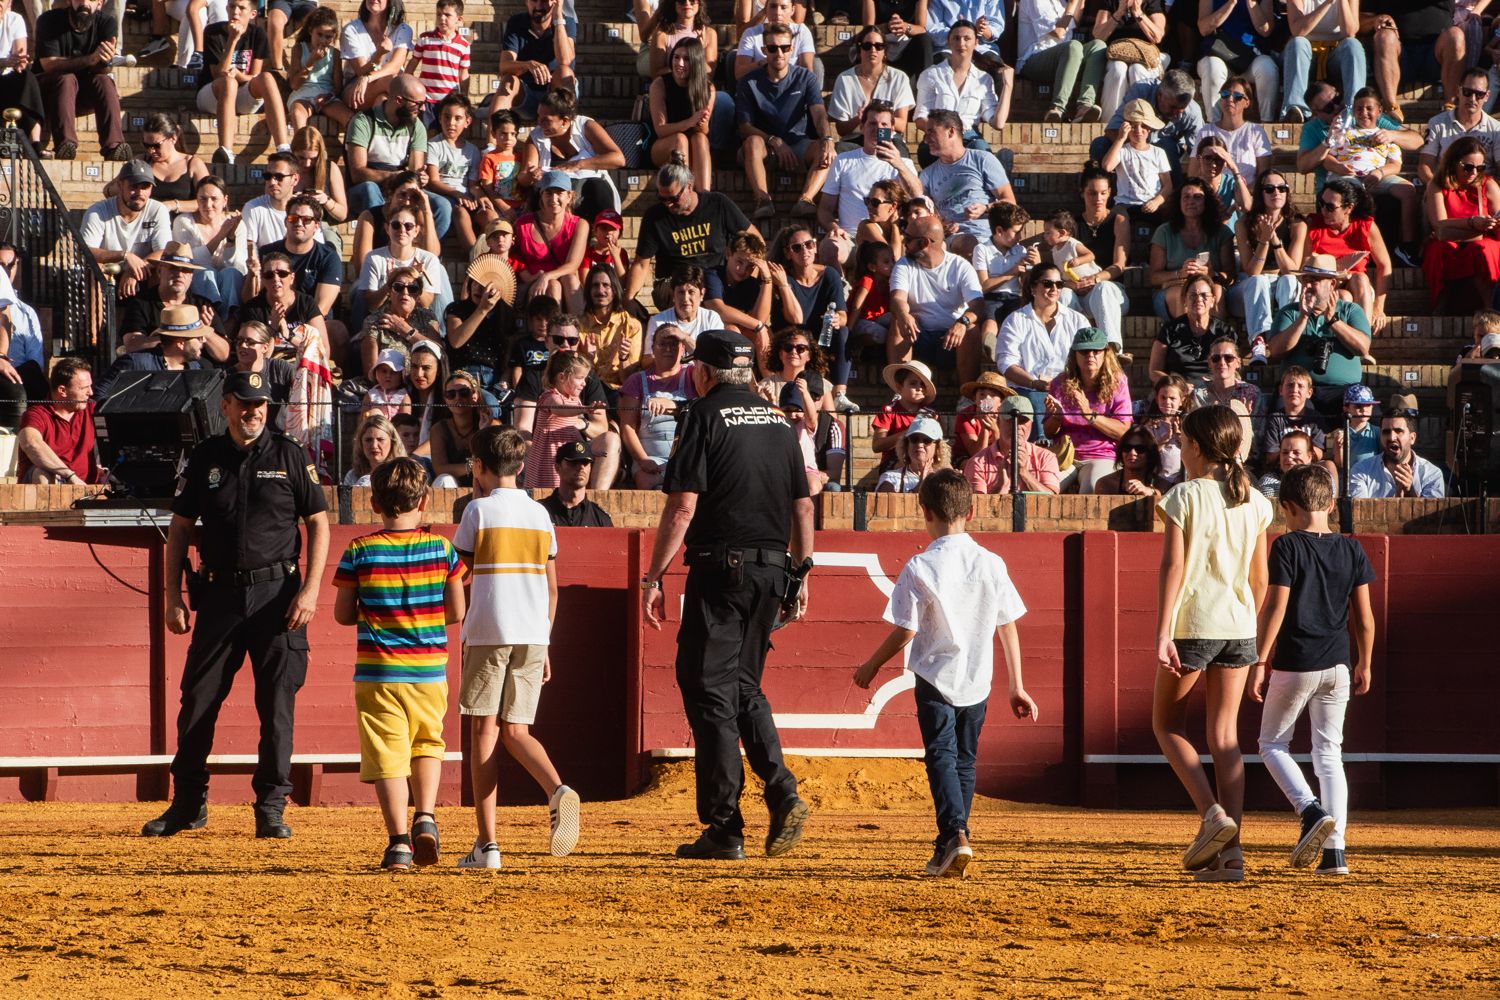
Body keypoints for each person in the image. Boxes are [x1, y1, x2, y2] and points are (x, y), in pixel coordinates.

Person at [641, 329, 813, 861]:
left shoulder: (704, 418)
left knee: (707, 687)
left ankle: (725, 825)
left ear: (706, 372)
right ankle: (780, 789)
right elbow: (803, 509)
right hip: (771, 570)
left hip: (721, 569)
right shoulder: (782, 426)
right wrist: (800, 574)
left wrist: (654, 577)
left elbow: (683, 507)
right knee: (742, 686)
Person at [141, 370, 330, 840]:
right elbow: (180, 529)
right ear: (225, 405)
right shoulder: (206, 457)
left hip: (278, 597)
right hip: (220, 595)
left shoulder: (289, 455)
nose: (253, 412)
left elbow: (319, 523)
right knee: (198, 701)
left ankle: (271, 806)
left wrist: (310, 591)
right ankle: (188, 803)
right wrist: (173, 599)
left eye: (260, 404)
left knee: (277, 706)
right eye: (244, 403)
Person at [852, 469, 1037, 877]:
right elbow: (1007, 625)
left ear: (926, 512)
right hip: (978, 676)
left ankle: (954, 833)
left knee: (941, 755)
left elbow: (906, 630)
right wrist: (1017, 686)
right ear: (970, 513)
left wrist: (870, 666)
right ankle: (952, 839)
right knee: (965, 761)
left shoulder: (920, 565)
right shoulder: (992, 562)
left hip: (936, 676)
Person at [453, 425, 582, 870]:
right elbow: (552, 589)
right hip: (532, 632)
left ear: (480, 467)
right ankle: (557, 789)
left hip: (489, 631)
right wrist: (545, 641)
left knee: (484, 733)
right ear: (523, 467)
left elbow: (462, 573)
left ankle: (487, 846)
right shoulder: (540, 515)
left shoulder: (478, 512)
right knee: (518, 731)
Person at [1153, 404, 1272, 883]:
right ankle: (1233, 856)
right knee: (1226, 738)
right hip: (1239, 627)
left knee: (1166, 725)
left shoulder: (1183, 496)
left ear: (1197, 447)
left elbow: (1173, 569)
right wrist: (1248, 622)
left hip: (1193, 626)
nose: (1180, 449)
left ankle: (1211, 815)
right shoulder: (1257, 501)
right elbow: (1260, 579)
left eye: (1182, 442)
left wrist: (1163, 630)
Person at [332, 456, 466, 870]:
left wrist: (377, 611)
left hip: (378, 672)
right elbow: (456, 611)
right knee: (427, 743)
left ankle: (399, 843)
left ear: (374, 503)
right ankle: (425, 816)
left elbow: (341, 613)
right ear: (424, 502)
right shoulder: (441, 548)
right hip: (428, 669)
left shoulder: (360, 550)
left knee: (387, 755)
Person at [1251, 463, 1375, 878]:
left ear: (1288, 507)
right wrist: (1365, 662)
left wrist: (1258, 659)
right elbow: (1365, 619)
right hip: (1338, 664)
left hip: (1296, 662)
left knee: (1272, 743)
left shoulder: (1287, 547)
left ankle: (1309, 810)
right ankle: (1335, 852)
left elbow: (1276, 607)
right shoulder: (1352, 549)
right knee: (1329, 755)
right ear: (1330, 503)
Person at [735, 22, 835, 221]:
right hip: (763, 147)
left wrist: (827, 139)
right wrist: (774, 140)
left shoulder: (806, 78)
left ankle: (805, 200)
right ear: (764, 51)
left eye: (785, 48)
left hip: (798, 144)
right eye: (772, 48)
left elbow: (819, 113)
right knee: (752, 143)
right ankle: (763, 200)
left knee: (827, 151)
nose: (779, 53)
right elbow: (745, 127)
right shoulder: (749, 81)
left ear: (792, 49)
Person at [625, 159, 757, 304]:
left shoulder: (718, 204)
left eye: (674, 198)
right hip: (673, 283)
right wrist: (628, 300)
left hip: (713, 280)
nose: (668, 204)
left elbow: (756, 239)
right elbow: (641, 264)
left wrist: (751, 278)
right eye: (662, 198)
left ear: (689, 187)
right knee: (691, 292)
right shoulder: (654, 217)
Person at [1268, 254, 1373, 414]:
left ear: (1331, 284)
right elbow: (1275, 351)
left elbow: (1363, 348)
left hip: (1343, 392)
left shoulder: (1350, 310)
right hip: (1298, 391)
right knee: (1280, 410)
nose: (1308, 285)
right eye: (1305, 280)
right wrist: (1303, 317)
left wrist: (1333, 321)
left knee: (1370, 415)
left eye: (1314, 280)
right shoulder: (1290, 312)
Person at [888, 214, 986, 384]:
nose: (904, 243)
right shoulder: (904, 264)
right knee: (898, 321)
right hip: (917, 336)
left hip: (951, 340)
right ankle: (899, 393)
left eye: (909, 239)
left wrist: (962, 322)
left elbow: (977, 305)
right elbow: (898, 298)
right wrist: (904, 314)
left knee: (971, 329)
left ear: (924, 243)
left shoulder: (960, 266)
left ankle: (967, 397)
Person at [1327, 89, 1420, 261]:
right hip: (1349, 176)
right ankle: (1349, 244)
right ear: (1353, 111)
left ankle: (1407, 246)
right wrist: (1339, 167)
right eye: (1359, 108)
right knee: (1349, 193)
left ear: (1379, 111)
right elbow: (1326, 157)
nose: (1364, 113)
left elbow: (1395, 164)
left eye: (1369, 108)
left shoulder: (1385, 135)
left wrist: (1379, 173)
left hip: (1378, 176)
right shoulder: (1344, 133)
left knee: (1408, 190)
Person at [817, 101, 923, 246]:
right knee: (829, 246)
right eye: (872, 124)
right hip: (850, 238)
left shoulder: (904, 164)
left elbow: (918, 196)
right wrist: (835, 230)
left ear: (892, 130)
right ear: (862, 127)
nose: (878, 129)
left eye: (884, 125)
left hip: (892, 238)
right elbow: (825, 209)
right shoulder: (843, 160)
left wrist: (898, 164)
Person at [198, 0, 290, 167]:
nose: (235, 12)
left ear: (253, 14)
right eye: (232, 6)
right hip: (212, 95)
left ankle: (284, 149)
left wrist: (240, 76)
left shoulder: (258, 34)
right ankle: (225, 151)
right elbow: (217, 74)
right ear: (226, 9)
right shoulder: (212, 32)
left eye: (241, 8)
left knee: (267, 78)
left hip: (242, 95)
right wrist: (232, 40)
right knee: (228, 82)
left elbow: (254, 76)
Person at [996, 262, 1092, 420]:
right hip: (1028, 390)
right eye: (1048, 284)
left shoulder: (1077, 320)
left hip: (1070, 389)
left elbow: (1090, 355)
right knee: (1035, 402)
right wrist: (1035, 384)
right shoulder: (1015, 320)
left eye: (1059, 284)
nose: (1054, 289)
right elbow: (1006, 363)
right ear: (1033, 288)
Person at [37, 0, 130, 161]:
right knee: (67, 79)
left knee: (104, 81)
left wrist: (105, 61)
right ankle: (65, 145)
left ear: (100, 4)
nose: (85, 3)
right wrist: (91, 59)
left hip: (81, 95)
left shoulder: (106, 22)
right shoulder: (49, 20)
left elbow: (104, 69)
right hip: (48, 93)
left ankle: (114, 146)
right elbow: (48, 65)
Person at [1043, 326, 1132, 493]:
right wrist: (1056, 418)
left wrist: (1090, 414)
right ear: (1074, 355)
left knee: (1092, 488)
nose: (1090, 355)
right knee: (1044, 490)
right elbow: (1049, 433)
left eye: (1096, 351)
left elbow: (1123, 431)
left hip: (1102, 455)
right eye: (1084, 352)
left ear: (1105, 353)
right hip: (1064, 453)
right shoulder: (1059, 383)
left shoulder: (1118, 383)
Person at [917, 110, 1016, 258]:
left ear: (951, 131)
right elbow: (922, 211)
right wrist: (941, 226)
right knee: (966, 244)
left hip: (987, 235)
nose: (926, 140)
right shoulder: (927, 174)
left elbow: (1011, 203)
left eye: (931, 132)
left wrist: (985, 208)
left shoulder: (982, 160)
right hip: (952, 238)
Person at [518, 88, 625, 223]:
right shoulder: (536, 136)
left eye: (546, 120)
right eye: (539, 116)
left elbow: (618, 158)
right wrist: (530, 175)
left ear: (565, 121)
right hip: (555, 200)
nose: (540, 123)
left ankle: (599, 235)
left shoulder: (586, 126)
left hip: (589, 194)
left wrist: (578, 165)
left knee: (597, 186)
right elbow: (523, 177)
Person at [1233, 168, 1306, 357]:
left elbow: (1292, 269)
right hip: (1251, 286)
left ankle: (1285, 336)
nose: (1277, 193)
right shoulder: (1244, 223)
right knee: (1259, 281)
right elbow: (1252, 271)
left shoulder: (1297, 224)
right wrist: (1264, 241)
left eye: (1282, 188)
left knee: (1289, 280)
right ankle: (1259, 340)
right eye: (1270, 189)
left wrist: (1275, 241)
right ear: (1260, 193)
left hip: (1281, 281)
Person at [1303, 178, 1391, 332]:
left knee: (1360, 278)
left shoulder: (1364, 227)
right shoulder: (1313, 224)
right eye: (1321, 204)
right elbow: (1303, 266)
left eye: (1330, 207)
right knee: (1344, 297)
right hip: (1324, 285)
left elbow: (1385, 266)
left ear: (1348, 208)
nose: (1323, 210)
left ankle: (1363, 340)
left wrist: (1379, 306)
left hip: (1356, 284)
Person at [1424, 137, 1500, 313]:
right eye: (1468, 167)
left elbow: (1496, 216)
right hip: (1450, 240)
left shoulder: (1487, 184)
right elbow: (1441, 227)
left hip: (1483, 238)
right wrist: (1473, 223)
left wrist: (1492, 223)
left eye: (1479, 168)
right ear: (1453, 163)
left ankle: (1491, 308)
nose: (1474, 172)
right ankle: (1441, 304)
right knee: (1440, 249)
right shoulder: (1437, 184)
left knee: (1483, 249)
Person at [913, 20, 1006, 160]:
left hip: (969, 136)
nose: (961, 43)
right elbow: (921, 117)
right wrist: (943, 134)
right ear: (948, 42)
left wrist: (1008, 87)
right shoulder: (931, 74)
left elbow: (997, 123)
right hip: (938, 135)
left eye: (967, 38)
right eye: (956, 38)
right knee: (927, 153)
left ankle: (1000, 171)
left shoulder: (984, 79)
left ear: (976, 43)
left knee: (982, 153)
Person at [1147, 178, 1236, 320]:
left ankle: (1216, 338)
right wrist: (1179, 273)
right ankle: (1186, 339)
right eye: (1186, 197)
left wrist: (1213, 274)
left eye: (1197, 197)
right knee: (1186, 293)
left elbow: (1231, 276)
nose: (1191, 201)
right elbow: (1153, 278)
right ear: (1179, 201)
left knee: (1217, 290)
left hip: (1209, 288)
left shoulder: (1221, 232)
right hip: (1172, 290)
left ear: (1207, 202)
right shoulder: (1164, 232)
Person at [82, 160, 171, 300]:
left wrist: (133, 270)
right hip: (108, 272)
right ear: (119, 185)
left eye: (145, 186)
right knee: (95, 271)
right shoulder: (98, 211)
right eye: (133, 186)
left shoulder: (158, 210)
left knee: (162, 270)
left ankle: (156, 320)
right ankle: (96, 323)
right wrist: (125, 256)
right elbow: (86, 251)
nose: (139, 192)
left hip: (142, 273)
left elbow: (164, 252)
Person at [620, 322, 694, 489]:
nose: (668, 348)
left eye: (674, 343)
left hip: (687, 458)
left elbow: (711, 362)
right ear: (652, 349)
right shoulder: (637, 381)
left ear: (683, 348)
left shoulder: (693, 375)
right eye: (663, 343)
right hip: (651, 458)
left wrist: (684, 337)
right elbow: (627, 427)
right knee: (647, 482)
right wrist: (643, 460)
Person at [1093, 68, 1202, 182]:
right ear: (1160, 94)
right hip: (1130, 148)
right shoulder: (1141, 91)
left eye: (1182, 108)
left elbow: (1197, 153)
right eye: (1173, 107)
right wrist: (1141, 153)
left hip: (1166, 156)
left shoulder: (1193, 111)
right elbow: (1112, 130)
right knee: (1100, 145)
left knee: (1167, 146)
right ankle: (1106, 192)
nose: (1177, 112)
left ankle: (1172, 196)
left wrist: (1192, 185)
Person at [1366, 2, 1465, 121]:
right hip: (1398, 54)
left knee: (1456, 35)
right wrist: (1376, 19)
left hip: (1435, 54)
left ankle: (1451, 107)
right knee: (1384, 37)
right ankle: (1391, 107)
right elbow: (1359, 21)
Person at [94, 303, 211, 402]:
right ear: (180, 343)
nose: (204, 340)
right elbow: (99, 395)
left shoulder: (195, 367)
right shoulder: (136, 363)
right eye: (199, 337)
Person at [14, 358, 100, 485]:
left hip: (87, 488)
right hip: (51, 487)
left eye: (90, 386)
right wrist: (69, 475)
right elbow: (31, 444)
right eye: (84, 388)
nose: (90, 392)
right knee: (41, 474)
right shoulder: (35, 414)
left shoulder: (92, 409)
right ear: (62, 391)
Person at [1078, 0, 1168, 122]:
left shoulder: (1151, 2)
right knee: (1117, 69)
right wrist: (1119, 12)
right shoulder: (1110, 2)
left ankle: (1141, 121)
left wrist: (1138, 13)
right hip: (1117, 54)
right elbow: (1098, 35)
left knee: (1137, 69)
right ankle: (1110, 123)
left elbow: (1157, 36)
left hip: (1146, 56)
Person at [649, 36, 718, 193]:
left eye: (686, 59)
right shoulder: (660, 84)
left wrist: (702, 123)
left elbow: (703, 131)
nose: (680, 63)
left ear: (695, 62)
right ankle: (683, 192)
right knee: (680, 139)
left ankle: (704, 195)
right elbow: (660, 129)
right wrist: (689, 122)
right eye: (676, 57)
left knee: (700, 138)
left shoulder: (707, 88)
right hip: (662, 146)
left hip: (692, 146)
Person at [514, 170, 588, 311]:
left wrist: (547, 277)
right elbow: (516, 258)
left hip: (563, 282)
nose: (553, 199)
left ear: (569, 196)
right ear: (541, 195)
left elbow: (572, 265)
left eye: (559, 193)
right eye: (548, 193)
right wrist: (533, 278)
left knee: (570, 279)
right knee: (554, 285)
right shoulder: (523, 224)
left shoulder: (580, 224)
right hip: (532, 283)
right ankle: (553, 331)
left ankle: (580, 329)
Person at [1281, 0, 1364, 123]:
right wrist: (1327, 3)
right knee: (1297, 42)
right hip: (1307, 55)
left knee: (1352, 44)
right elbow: (1297, 31)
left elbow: (1349, 32)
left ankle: (1354, 109)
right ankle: (1295, 110)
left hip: (1335, 54)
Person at [828, 26, 916, 142]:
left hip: (887, 136)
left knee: (898, 155)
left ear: (884, 51)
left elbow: (901, 125)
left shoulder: (899, 78)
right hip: (855, 138)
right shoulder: (844, 79)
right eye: (867, 46)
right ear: (859, 50)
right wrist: (859, 119)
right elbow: (841, 129)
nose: (873, 50)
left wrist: (876, 119)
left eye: (879, 46)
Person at [1150, 273, 1234, 389]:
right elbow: (1154, 371)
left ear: (1213, 301)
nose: (1199, 299)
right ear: (1184, 300)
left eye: (1204, 295)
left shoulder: (1224, 332)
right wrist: (1177, 386)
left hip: (1214, 389)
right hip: (1180, 391)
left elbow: (1234, 367)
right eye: (1193, 295)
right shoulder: (1170, 330)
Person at [493, 0, 575, 119]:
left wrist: (558, 18)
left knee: (564, 72)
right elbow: (504, 66)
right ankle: (493, 135)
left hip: (557, 97)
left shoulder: (567, 22)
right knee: (508, 81)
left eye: (544, 1)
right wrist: (527, 65)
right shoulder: (516, 22)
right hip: (527, 98)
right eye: (534, 0)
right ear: (526, 2)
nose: (538, 6)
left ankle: (564, 131)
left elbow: (565, 60)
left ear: (555, 2)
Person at [1418, 67, 1500, 185]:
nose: (1472, 99)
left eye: (1479, 94)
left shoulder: (1496, 129)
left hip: (1482, 192)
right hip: (1445, 187)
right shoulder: (1437, 123)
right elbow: (1425, 165)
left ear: (1487, 96)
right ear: (1458, 91)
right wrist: (1436, 189)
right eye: (1467, 92)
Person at [963, 394, 1060, 494]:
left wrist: (1024, 473)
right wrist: (1000, 485)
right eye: (1010, 420)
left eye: (1022, 421)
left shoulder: (1046, 457)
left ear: (1031, 424)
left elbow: (1052, 501)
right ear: (998, 422)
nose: (1016, 426)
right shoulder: (977, 463)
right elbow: (977, 506)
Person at [172, 175, 244, 308]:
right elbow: (187, 262)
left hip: (228, 288)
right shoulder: (183, 222)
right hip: (198, 288)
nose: (208, 205)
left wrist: (230, 239)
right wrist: (220, 236)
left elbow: (237, 266)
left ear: (225, 200)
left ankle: (229, 319)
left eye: (214, 199)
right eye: (203, 199)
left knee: (231, 274)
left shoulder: (236, 224)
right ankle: (211, 317)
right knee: (206, 272)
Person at [1017, 0, 1088, 122]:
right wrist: (1072, 4)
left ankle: (1085, 106)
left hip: (1064, 58)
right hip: (1033, 60)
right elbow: (1058, 32)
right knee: (1073, 46)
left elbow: (1073, 21)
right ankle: (1058, 108)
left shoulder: (1061, 3)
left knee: (1097, 46)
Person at [1349, 411, 1446, 499]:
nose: (1391, 437)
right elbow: (1359, 513)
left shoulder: (1431, 474)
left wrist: (1410, 491)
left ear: (1412, 438)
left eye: (1398, 431)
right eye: (1386, 432)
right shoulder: (1361, 471)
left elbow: (1431, 516)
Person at [578, 263, 641, 391]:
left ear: (614, 289)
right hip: (587, 389)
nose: (600, 291)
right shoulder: (578, 325)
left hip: (618, 392)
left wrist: (623, 358)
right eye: (595, 285)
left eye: (606, 285)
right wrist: (588, 360)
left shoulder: (631, 325)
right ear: (588, 291)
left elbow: (629, 381)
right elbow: (576, 376)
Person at [341, 0, 413, 111]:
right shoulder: (351, 30)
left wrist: (368, 78)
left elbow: (395, 66)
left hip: (389, 89)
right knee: (394, 82)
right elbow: (361, 71)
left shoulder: (403, 30)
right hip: (357, 89)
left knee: (382, 99)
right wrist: (379, 54)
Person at [287, 7, 352, 130]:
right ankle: (300, 147)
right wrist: (312, 61)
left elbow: (338, 87)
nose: (323, 40)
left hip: (326, 97)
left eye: (328, 37)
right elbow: (294, 85)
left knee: (350, 118)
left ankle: (348, 147)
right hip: (302, 95)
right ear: (311, 30)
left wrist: (328, 96)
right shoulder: (299, 49)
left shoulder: (335, 54)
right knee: (297, 114)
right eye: (320, 35)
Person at [1256, 366, 1327, 474]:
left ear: (1309, 392)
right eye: (1290, 385)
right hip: (1280, 471)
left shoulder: (1315, 418)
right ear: (1281, 390)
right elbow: (1271, 456)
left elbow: (1319, 453)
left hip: (1309, 470)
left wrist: (1302, 439)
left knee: (1329, 465)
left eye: (1300, 386)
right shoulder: (1275, 419)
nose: (1294, 390)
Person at [412, 0, 469, 116]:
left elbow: (464, 74)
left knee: (448, 132)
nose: (442, 18)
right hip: (426, 100)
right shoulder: (425, 39)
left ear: (459, 19)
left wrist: (464, 99)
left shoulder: (464, 45)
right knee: (429, 133)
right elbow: (412, 64)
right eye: (439, 14)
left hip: (450, 101)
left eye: (447, 15)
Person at [540, 439, 615, 526]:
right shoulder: (539, 512)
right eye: (573, 462)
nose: (581, 468)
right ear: (557, 468)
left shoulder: (600, 519)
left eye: (585, 463)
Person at [877, 415, 952, 492]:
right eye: (914, 439)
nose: (919, 444)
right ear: (906, 445)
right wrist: (918, 488)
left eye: (927, 440)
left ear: (938, 447)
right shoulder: (891, 478)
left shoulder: (946, 481)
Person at [1094, 425, 1172, 498]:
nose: (1132, 453)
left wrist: (1150, 492)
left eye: (1140, 449)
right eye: (1127, 448)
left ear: (1150, 453)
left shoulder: (1163, 486)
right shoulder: (1105, 484)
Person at [343, 411, 406, 485]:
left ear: (392, 441)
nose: (374, 445)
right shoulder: (353, 476)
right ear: (361, 443)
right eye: (368, 440)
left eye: (380, 439)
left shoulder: (404, 474)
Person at [1255, 429, 1313, 499]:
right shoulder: (1267, 482)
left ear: (1309, 456)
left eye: (1296, 452)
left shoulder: (1321, 481)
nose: (1289, 456)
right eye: (1285, 453)